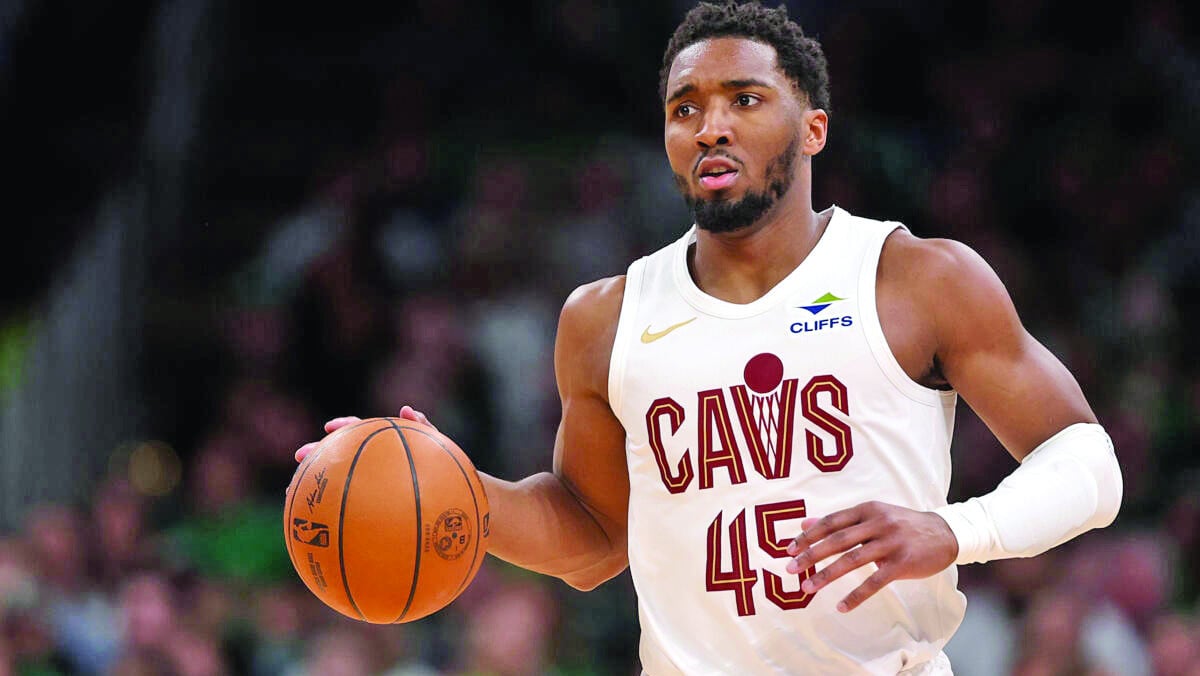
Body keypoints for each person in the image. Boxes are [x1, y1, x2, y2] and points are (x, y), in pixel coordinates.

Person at [295, 2, 1124, 673]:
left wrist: (956, 531)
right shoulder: (605, 317)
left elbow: (1089, 464)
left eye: (744, 99)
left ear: (814, 129)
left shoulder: (915, 278)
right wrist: (458, 491)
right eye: (684, 108)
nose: (709, 126)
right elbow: (591, 542)